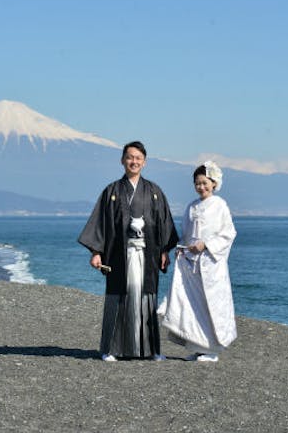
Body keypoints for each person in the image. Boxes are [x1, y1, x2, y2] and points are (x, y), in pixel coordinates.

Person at [78, 141, 179, 361]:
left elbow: (164, 224)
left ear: (144, 162)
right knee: (118, 298)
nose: (133, 161)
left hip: (147, 254)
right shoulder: (112, 191)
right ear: (123, 160)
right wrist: (96, 251)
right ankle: (111, 349)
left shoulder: (154, 192)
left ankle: (150, 350)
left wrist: (164, 251)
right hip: (118, 255)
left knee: (146, 298)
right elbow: (100, 223)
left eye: (138, 158)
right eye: (130, 157)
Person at [159, 161, 237, 362]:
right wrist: (182, 247)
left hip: (211, 264)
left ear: (214, 183)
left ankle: (212, 349)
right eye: (197, 183)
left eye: (204, 183)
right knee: (193, 304)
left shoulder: (220, 205)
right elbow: (185, 233)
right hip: (191, 263)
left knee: (210, 304)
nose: (201, 187)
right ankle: (197, 346)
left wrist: (207, 245)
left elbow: (228, 233)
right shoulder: (192, 206)